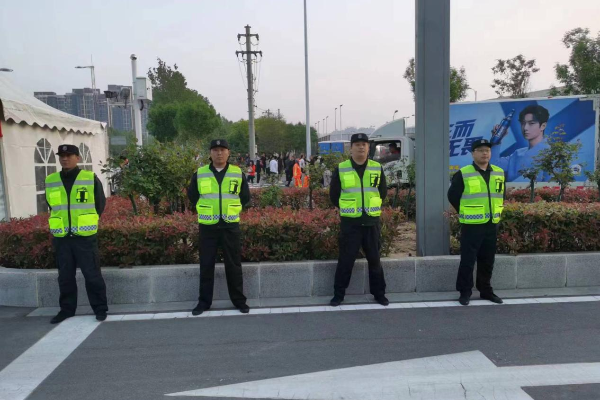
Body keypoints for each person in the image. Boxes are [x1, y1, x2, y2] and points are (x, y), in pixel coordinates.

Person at [187, 139, 251, 315]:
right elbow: (192, 196)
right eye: (215, 150)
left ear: (228, 152)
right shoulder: (200, 173)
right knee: (206, 265)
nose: (219, 153)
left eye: (222, 149)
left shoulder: (237, 173)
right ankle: (204, 302)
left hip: (230, 225)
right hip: (208, 226)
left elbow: (245, 196)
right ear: (210, 153)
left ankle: (239, 301)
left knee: (234, 265)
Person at [45, 144, 108, 324]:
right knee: (65, 277)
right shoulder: (51, 180)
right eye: (62, 156)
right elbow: (51, 205)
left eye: (69, 155)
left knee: (92, 275)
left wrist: (86, 221)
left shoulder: (89, 178)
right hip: (62, 238)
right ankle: (66, 310)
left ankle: (100, 309)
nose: (65, 159)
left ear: (77, 158)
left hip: (85, 237)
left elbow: (100, 204)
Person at [329, 133, 389, 307]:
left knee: (375, 260)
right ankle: (338, 295)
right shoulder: (342, 168)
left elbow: (382, 192)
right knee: (345, 261)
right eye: (357, 144)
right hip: (350, 224)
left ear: (368, 148)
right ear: (351, 148)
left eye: (364, 144)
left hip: (371, 222)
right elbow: (334, 195)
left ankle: (379, 294)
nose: (361, 147)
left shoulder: (377, 168)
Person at [448, 139, 506, 306]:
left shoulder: (499, 172)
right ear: (473, 153)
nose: (484, 153)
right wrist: (466, 211)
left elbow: (501, 195)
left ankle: (485, 290)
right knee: (468, 260)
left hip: (491, 223)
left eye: (487, 150)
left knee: (487, 260)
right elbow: (452, 195)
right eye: (480, 150)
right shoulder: (464, 173)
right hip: (472, 224)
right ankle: (465, 292)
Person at [490, 105, 551, 182]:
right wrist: (497, 140)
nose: (525, 128)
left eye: (531, 123)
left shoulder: (551, 154)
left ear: (543, 126)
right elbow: (492, 166)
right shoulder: (517, 153)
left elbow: (553, 185)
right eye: (523, 123)